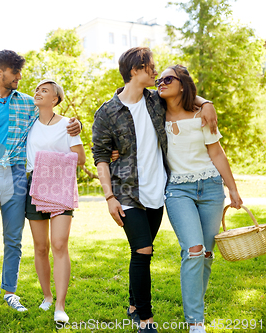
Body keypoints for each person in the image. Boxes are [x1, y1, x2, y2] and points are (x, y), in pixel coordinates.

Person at [91, 47, 217, 333]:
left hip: (159, 190)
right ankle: (145, 320)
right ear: (135, 69)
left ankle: (134, 303)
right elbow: (100, 155)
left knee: (144, 250)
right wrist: (109, 196)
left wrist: (205, 102)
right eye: (151, 67)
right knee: (143, 250)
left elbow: (184, 95)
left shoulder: (155, 99)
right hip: (126, 192)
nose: (156, 71)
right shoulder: (107, 112)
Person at [0, 50, 81, 326]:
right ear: (0, 73)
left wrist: (75, 125)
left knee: (13, 239)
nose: (20, 78)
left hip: (17, 177)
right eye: (15, 73)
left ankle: (10, 292)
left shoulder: (27, 104)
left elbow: (52, 119)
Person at [157, 65, 242, 333]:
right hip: (177, 190)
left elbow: (217, 154)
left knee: (205, 253)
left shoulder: (201, 116)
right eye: (159, 79)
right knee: (193, 250)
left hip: (211, 189)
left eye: (168, 78)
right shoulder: (154, 114)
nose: (161, 82)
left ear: (182, 85)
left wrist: (233, 189)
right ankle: (196, 322)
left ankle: (196, 306)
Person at [25, 79, 85, 324]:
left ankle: (60, 305)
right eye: (38, 89)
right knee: (40, 247)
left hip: (60, 185)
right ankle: (47, 296)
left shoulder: (68, 124)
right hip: (33, 184)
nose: (38, 92)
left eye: (45, 90)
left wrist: (51, 161)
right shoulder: (28, 122)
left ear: (55, 99)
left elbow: (80, 158)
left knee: (59, 244)